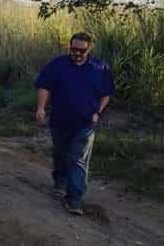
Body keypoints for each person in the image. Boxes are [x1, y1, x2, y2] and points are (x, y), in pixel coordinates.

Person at [35, 32, 115, 215]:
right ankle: (60, 182)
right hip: (60, 120)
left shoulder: (100, 68)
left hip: (86, 122)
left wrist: (98, 112)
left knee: (78, 159)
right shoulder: (57, 64)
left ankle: (75, 200)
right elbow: (44, 86)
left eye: (82, 50)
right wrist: (40, 108)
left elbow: (106, 93)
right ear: (69, 47)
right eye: (73, 49)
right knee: (61, 153)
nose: (77, 53)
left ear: (89, 49)